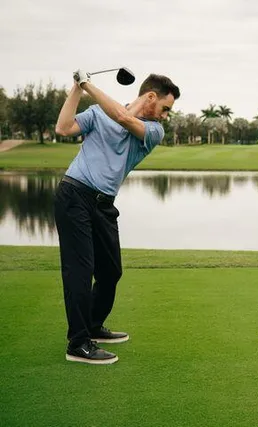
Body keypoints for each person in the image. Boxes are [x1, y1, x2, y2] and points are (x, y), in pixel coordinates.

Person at [54, 70, 180, 364]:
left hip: (104, 204)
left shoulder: (152, 132)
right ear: (151, 97)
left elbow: (123, 118)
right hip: (74, 195)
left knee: (110, 272)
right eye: (165, 108)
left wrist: (87, 85)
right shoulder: (98, 114)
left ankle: (93, 327)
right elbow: (63, 128)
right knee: (80, 272)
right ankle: (78, 343)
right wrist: (76, 89)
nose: (164, 116)